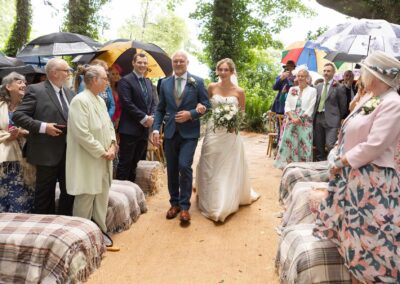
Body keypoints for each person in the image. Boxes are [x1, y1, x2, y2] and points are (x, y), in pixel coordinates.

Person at [314, 51, 400, 283]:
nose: (361, 76)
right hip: (354, 176)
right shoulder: (372, 99)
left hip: (372, 184)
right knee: (353, 235)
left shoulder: (393, 103)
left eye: (366, 71)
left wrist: (342, 161)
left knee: (369, 240)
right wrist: (336, 154)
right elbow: (348, 129)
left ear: (376, 75)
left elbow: (375, 144)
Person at [195, 58, 259, 222]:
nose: (223, 72)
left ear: (231, 72)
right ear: (217, 71)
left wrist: (235, 124)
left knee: (227, 165)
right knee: (209, 160)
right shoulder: (211, 87)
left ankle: (223, 202)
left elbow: (242, 112)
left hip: (231, 133)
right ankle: (208, 195)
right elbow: (206, 106)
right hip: (213, 130)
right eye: (220, 70)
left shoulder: (239, 91)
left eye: (226, 70)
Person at [152, 51, 211, 224]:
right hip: (170, 132)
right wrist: (156, 129)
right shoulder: (164, 83)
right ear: (172, 63)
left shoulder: (197, 82)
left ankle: (185, 207)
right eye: (175, 61)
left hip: (189, 133)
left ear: (187, 62)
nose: (178, 63)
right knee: (171, 168)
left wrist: (191, 114)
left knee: (184, 166)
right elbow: (160, 108)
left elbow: (206, 105)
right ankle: (174, 203)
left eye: (181, 61)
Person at [13, 58, 75, 215]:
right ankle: (43, 230)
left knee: (69, 193)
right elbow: (19, 116)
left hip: (70, 151)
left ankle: (64, 226)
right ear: (54, 73)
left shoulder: (70, 93)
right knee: (44, 195)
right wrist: (43, 127)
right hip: (45, 152)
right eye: (66, 70)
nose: (69, 74)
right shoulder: (36, 90)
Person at [66, 65, 118, 249]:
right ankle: (80, 239)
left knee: (102, 194)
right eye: (105, 78)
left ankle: (100, 232)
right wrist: (102, 151)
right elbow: (82, 133)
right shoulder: (80, 101)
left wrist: (112, 145)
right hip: (89, 158)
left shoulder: (100, 101)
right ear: (94, 80)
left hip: (105, 157)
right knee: (86, 196)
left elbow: (109, 126)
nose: (108, 82)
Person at [116, 53, 157, 182]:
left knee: (137, 164)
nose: (142, 65)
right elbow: (126, 103)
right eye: (139, 62)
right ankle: (121, 195)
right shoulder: (125, 81)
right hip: (129, 130)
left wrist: (152, 117)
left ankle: (133, 194)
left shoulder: (148, 82)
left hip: (144, 130)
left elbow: (154, 102)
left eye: (145, 63)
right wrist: (144, 118)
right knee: (125, 164)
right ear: (133, 63)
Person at [0, 72, 34, 213]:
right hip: (4, 164)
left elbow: (37, 127)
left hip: (26, 161)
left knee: (23, 200)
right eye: (19, 82)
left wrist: (23, 133)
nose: (24, 85)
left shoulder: (30, 106)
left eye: (25, 82)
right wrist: (8, 136)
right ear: (8, 86)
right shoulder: (0, 106)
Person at [274, 68, 317, 169]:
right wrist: (292, 117)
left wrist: (300, 118)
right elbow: (287, 104)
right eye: (299, 76)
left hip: (304, 121)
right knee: (290, 142)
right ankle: (288, 165)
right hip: (291, 118)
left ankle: (303, 166)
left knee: (304, 142)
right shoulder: (292, 89)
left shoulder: (312, 90)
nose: (300, 78)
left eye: (303, 76)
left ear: (307, 78)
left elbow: (311, 106)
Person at [313, 63, 347, 161]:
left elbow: (343, 106)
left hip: (332, 120)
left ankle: (332, 164)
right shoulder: (318, 87)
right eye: (324, 71)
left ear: (333, 73)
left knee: (330, 144)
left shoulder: (339, 87)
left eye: (328, 71)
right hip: (318, 117)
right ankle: (321, 164)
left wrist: (339, 118)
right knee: (319, 145)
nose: (326, 73)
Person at [110, 64, 122, 128]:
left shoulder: (119, 88)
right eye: (113, 74)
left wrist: (118, 118)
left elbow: (121, 106)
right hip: (109, 119)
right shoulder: (106, 89)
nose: (115, 76)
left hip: (118, 119)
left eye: (117, 74)